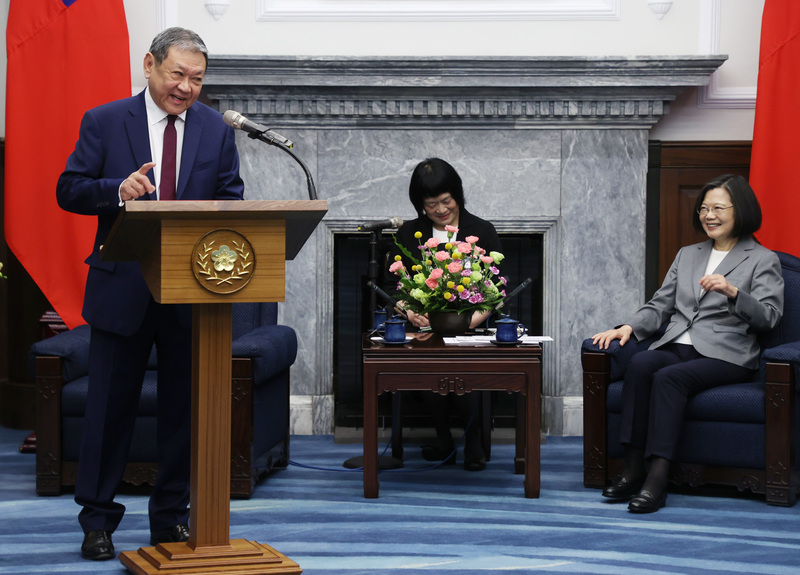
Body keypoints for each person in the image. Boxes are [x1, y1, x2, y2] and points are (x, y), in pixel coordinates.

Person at [56, 28, 245, 560]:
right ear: (149, 66)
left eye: (197, 79)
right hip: (123, 290)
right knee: (108, 411)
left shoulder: (215, 129)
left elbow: (231, 199)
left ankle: (170, 519)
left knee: (182, 414)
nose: (185, 87)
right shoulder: (106, 120)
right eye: (177, 74)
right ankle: (97, 522)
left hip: (192, 293)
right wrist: (117, 189)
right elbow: (68, 189)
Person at [591, 174, 783, 513]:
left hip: (727, 353)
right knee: (640, 364)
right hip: (679, 344)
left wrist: (733, 291)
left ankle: (657, 479)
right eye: (704, 208)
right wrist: (628, 327)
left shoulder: (761, 258)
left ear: (741, 210)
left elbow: (769, 316)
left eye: (718, 208)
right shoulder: (688, 254)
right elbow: (661, 304)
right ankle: (633, 467)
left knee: (669, 378)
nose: (709, 215)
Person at [391, 157, 502, 471]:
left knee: (461, 363)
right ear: (419, 205)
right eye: (431, 204)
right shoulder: (410, 233)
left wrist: (468, 322)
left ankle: (473, 440)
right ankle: (444, 439)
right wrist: (412, 314)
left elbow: (494, 290)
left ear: (458, 195)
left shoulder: (480, 230)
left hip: (471, 326)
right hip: (424, 327)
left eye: (446, 201)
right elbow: (395, 288)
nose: (440, 210)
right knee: (428, 358)